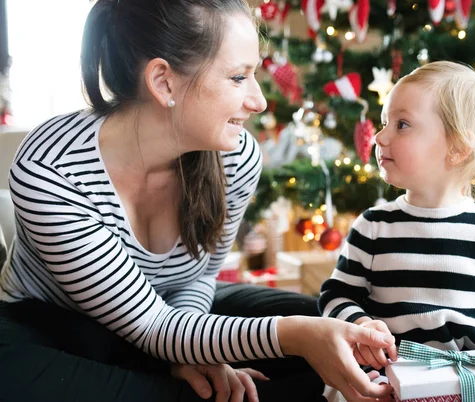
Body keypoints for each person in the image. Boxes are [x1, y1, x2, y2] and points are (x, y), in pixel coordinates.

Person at [0, 1, 397, 401]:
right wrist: (285, 337)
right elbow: (152, 327)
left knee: (345, 337)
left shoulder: (236, 155)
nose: (258, 101)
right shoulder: (51, 171)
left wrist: (191, 345)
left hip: (174, 312)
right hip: (56, 329)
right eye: (238, 77)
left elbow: (200, 278)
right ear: (164, 82)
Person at [318, 61, 475, 402]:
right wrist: (361, 325)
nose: (380, 137)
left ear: (457, 148)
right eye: (384, 123)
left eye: (401, 124)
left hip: (471, 380)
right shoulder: (373, 226)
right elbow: (336, 296)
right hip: (386, 383)